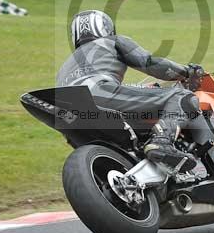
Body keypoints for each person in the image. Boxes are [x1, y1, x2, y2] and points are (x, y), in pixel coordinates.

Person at [57, 10, 203, 172]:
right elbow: (150, 63)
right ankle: (162, 141)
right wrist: (187, 72)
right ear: (106, 28)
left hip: (69, 115)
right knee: (182, 97)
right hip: (99, 94)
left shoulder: (65, 65)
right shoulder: (112, 41)